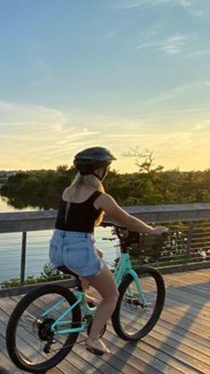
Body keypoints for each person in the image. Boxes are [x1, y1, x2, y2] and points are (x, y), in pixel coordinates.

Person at [50, 146, 166, 355]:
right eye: (107, 168)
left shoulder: (68, 192)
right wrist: (151, 230)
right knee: (112, 295)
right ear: (99, 171)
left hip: (57, 250)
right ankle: (93, 339)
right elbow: (127, 220)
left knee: (99, 254)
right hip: (79, 252)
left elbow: (76, 218)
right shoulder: (100, 198)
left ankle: (82, 293)